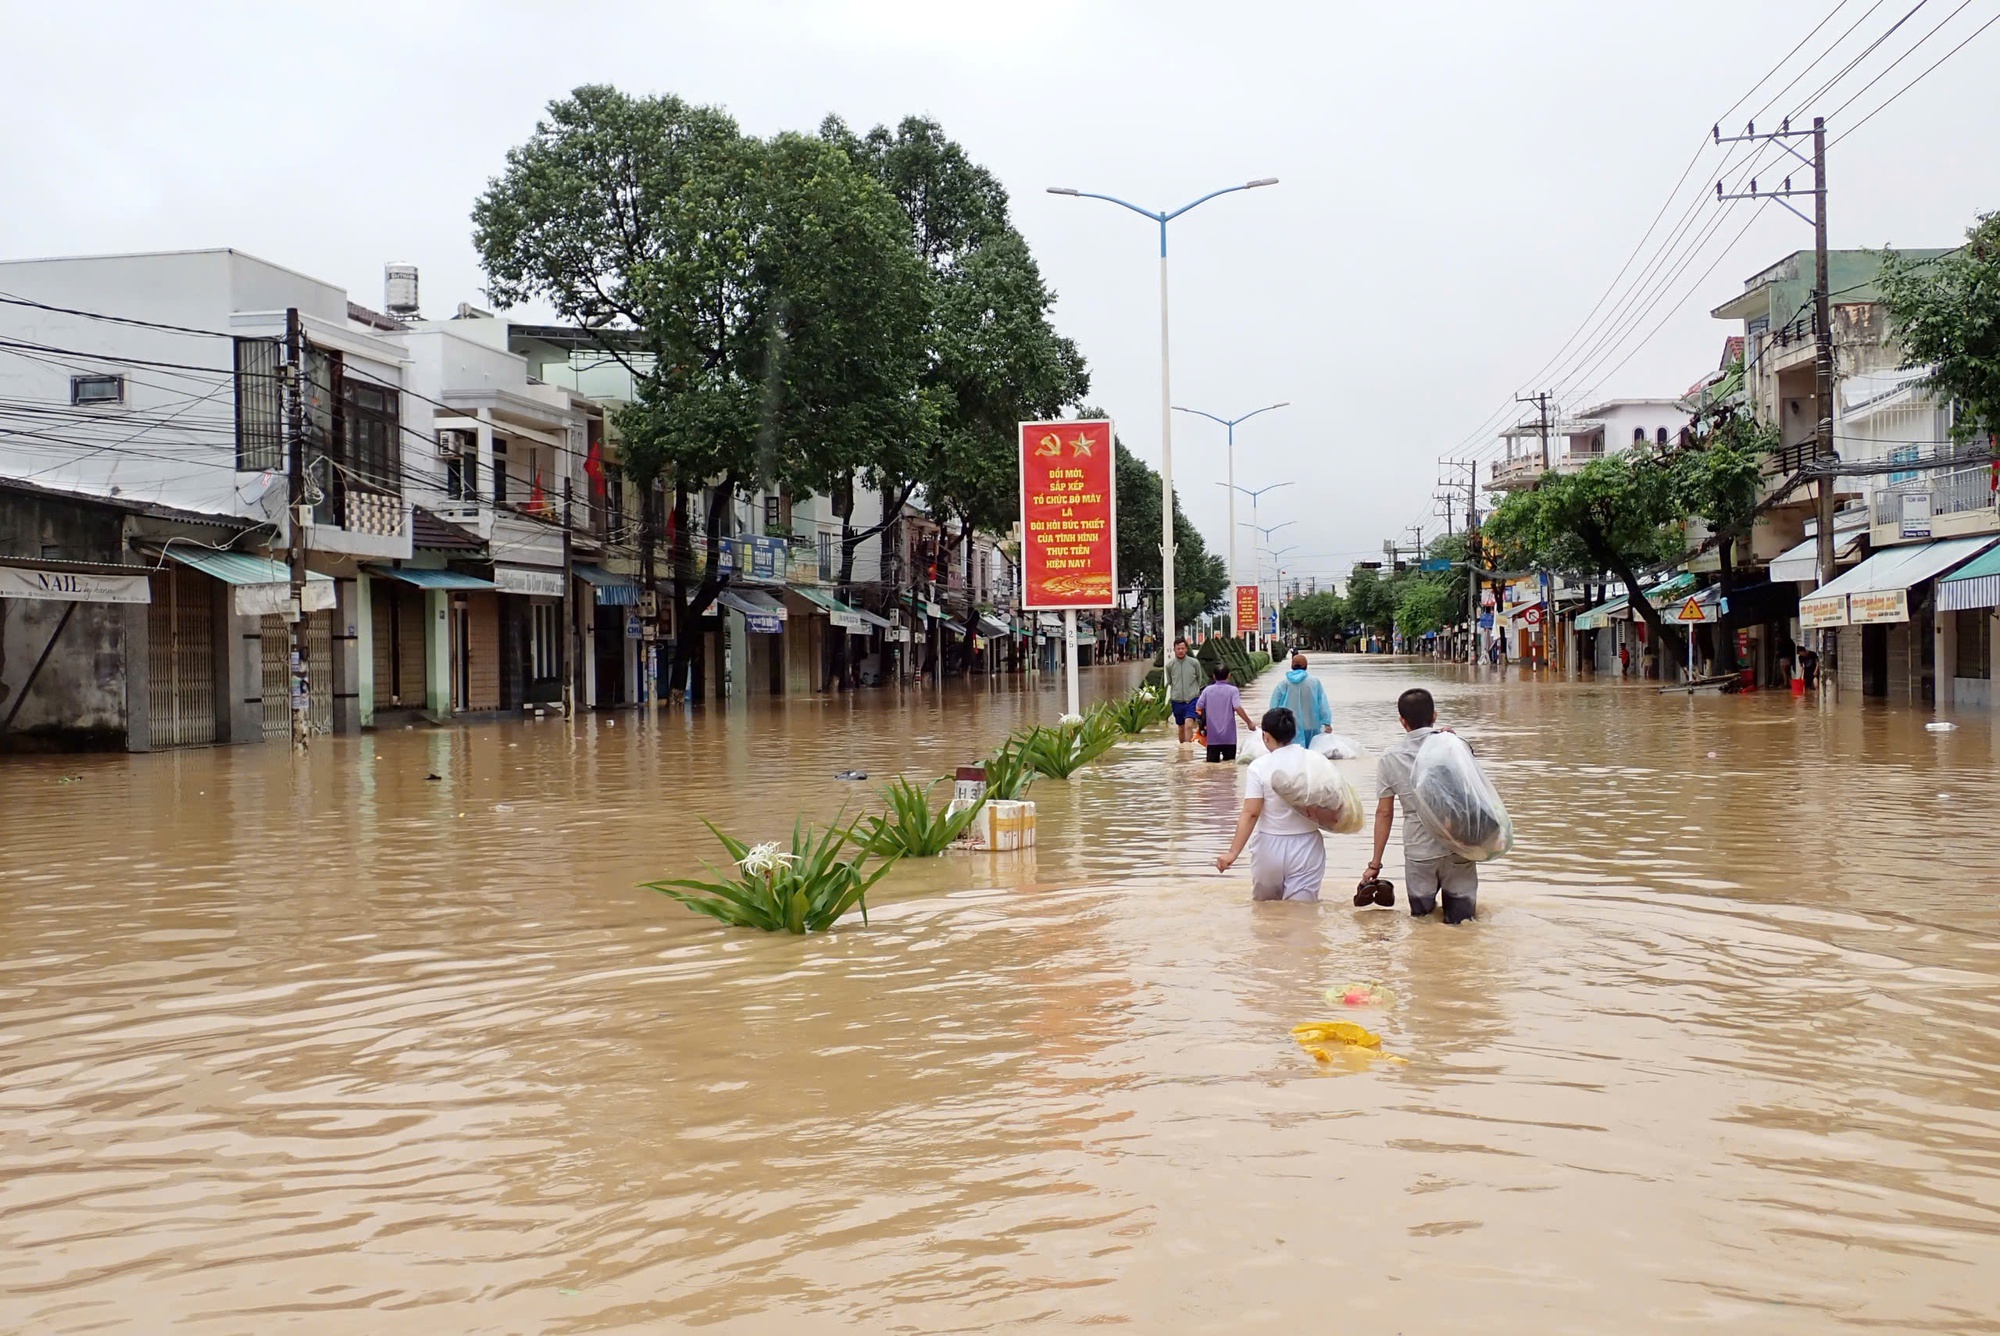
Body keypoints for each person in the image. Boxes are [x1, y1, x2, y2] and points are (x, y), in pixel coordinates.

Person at [1365, 687, 1477, 924]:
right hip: (1459, 846)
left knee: (1422, 923)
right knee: (1463, 923)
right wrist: (1454, 739)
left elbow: (1384, 813)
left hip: (1420, 852)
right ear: (1434, 716)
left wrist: (1375, 864)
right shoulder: (1455, 746)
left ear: (1402, 721)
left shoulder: (1389, 758)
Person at [1215, 707, 1326, 901]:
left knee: (1265, 913)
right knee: (1302, 917)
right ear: (1294, 733)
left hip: (1268, 847)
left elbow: (1251, 813)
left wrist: (1233, 853)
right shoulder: (1316, 761)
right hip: (1307, 846)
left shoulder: (1259, 767)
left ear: (1266, 736)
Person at [1194, 664, 1256, 762]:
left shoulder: (1207, 690)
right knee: (1230, 767)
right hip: (1229, 737)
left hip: (1212, 737)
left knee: (1212, 769)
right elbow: (1237, 707)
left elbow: (1198, 707)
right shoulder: (1233, 690)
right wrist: (1249, 722)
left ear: (1214, 676)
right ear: (1229, 675)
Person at [1268, 652, 1334, 739]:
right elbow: (1322, 703)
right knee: (1311, 751)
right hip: (1311, 725)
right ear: (1306, 666)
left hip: (1289, 726)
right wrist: (1327, 723)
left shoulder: (1283, 684)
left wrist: (1272, 725)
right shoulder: (1314, 682)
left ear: (1292, 666)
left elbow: (1274, 705)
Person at [1164, 637, 1205, 744]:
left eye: (1183, 648)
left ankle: (1188, 749)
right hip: (1177, 701)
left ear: (1186, 649)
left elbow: (1199, 679)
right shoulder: (1169, 666)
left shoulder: (1194, 663)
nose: (1180, 651)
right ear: (1174, 650)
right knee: (1181, 727)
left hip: (1192, 700)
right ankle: (1182, 750)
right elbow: (1170, 681)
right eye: (1178, 648)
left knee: (1188, 724)